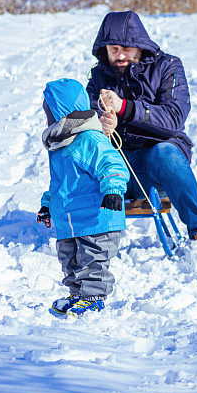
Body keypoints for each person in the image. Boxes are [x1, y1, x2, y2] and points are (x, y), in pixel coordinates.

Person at [86, 11, 197, 260]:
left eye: (126, 48)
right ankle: (71, 226)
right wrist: (101, 123)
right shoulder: (100, 75)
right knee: (74, 149)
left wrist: (125, 108)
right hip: (114, 167)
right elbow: (87, 113)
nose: (120, 56)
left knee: (166, 151)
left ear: (140, 45)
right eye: (113, 49)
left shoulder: (167, 67)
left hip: (152, 167)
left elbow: (174, 117)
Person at [36, 78, 130, 317]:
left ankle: (93, 297)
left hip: (96, 216)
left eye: (50, 110)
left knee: (92, 258)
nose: (47, 115)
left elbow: (113, 165)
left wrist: (112, 191)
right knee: (69, 258)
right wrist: (47, 205)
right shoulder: (61, 144)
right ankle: (77, 295)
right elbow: (59, 184)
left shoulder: (89, 139)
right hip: (70, 218)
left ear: (62, 111)